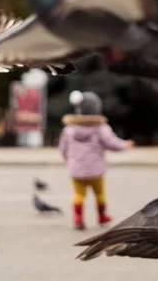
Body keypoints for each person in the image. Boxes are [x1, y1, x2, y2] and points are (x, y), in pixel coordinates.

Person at [59, 90, 134, 231]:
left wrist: (67, 159)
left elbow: (63, 147)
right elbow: (111, 143)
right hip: (96, 170)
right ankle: (102, 216)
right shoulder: (100, 127)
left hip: (76, 170)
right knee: (99, 193)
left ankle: (78, 219)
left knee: (78, 194)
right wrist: (126, 144)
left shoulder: (69, 129)